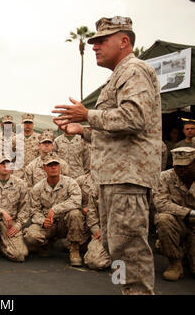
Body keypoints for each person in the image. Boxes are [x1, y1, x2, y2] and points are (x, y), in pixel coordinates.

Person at [52, 16, 162, 295]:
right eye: (94, 42)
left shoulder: (134, 70)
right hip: (116, 178)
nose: (95, 47)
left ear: (124, 41)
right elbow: (117, 130)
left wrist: (88, 114)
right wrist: (83, 129)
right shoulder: (119, 76)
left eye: (102, 41)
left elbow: (135, 118)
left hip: (128, 178)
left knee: (129, 248)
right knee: (117, 248)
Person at [23, 155, 85, 266]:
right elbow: (33, 211)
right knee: (31, 236)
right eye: (50, 165)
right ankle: (47, 243)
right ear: (44, 169)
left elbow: (76, 201)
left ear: (60, 167)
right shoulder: (37, 187)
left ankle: (74, 249)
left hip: (64, 222)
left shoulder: (70, 183)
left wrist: (55, 210)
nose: (53, 168)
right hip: (48, 223)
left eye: (55, 165)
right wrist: (43, 221)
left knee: (75, 213)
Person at [153, 147, 195, 281]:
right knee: (163, 219)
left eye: (185, 166)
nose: (181, 170)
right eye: (178, 166)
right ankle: (174, 263)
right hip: (178, 224)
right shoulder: (165, 177)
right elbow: (160, 203)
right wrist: (189, 213)